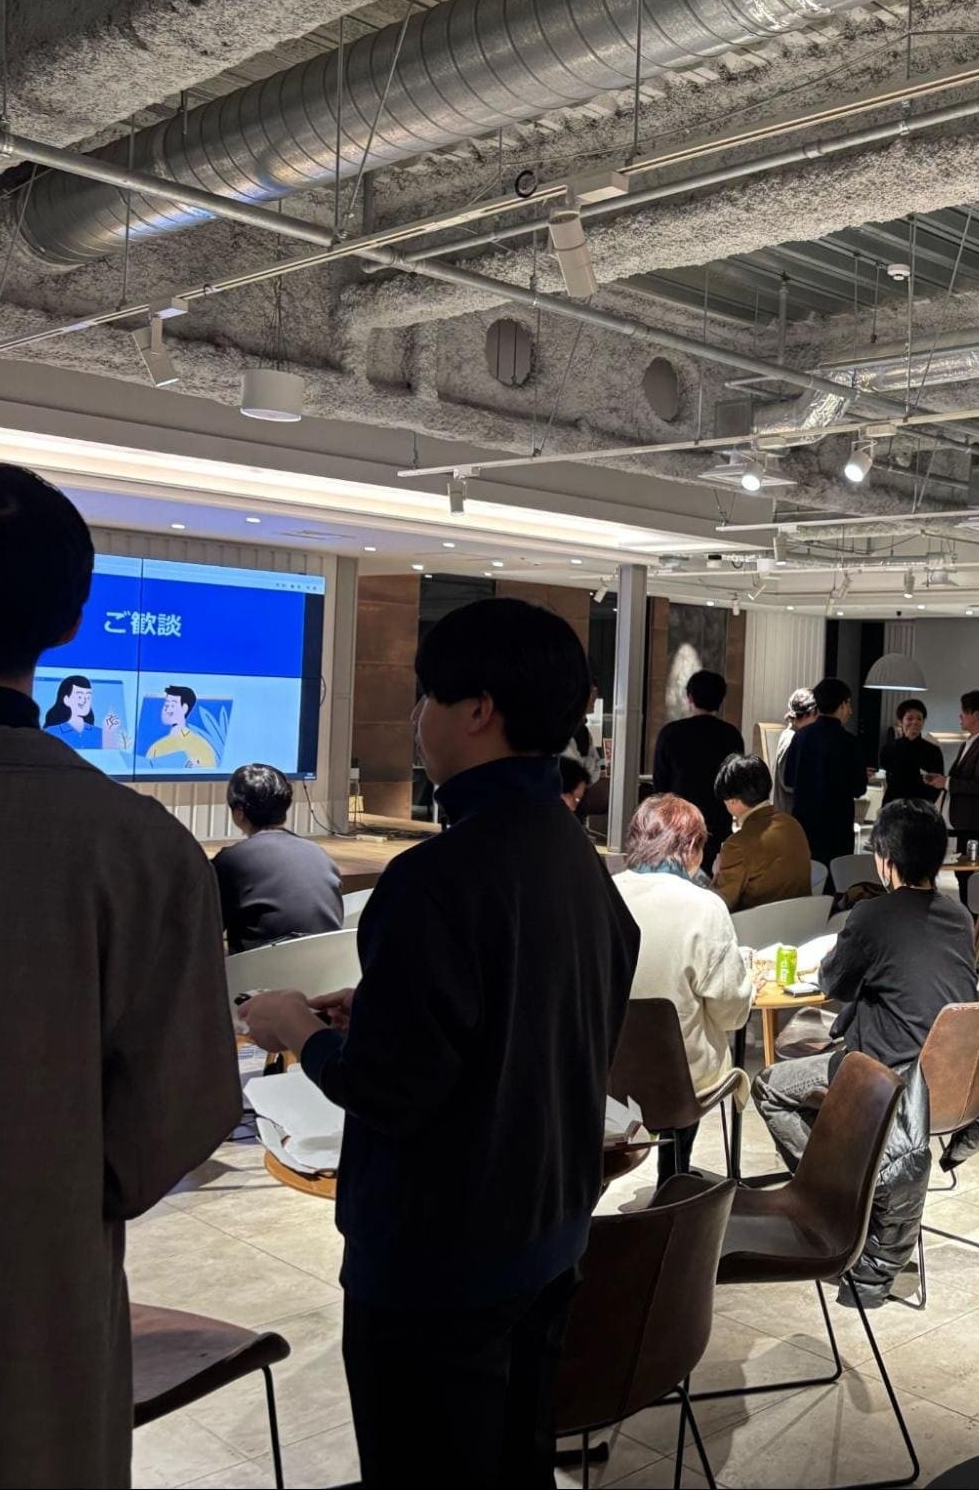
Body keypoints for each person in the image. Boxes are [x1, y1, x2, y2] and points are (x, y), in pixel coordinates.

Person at [0, 463, 240, 1485]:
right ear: (71, 623)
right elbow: (182, 1113)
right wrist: (41, 1179)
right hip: (25, 1334)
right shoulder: (142, 850)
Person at [239, 597, 638, 1487]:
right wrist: (384, 1004)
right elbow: (538, 1008)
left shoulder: (435, 878)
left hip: (438, 1262)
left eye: (425, 696)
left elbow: (391, 1089)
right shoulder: (575, 855)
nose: (417, 718)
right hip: (550, 1233)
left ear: (477, 710)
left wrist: (296, 1029)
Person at [752, 798, 976, 1168]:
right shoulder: (961, 917)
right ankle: (855, 1170)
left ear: (886, 860)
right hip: (956, 1080)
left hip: (889, 1076)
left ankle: (834, 1185)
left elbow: (834, 983)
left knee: (769, 1086)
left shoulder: (872, 915)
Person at [613, 794, 753, 1184]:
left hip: (603, 1073)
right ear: (691, 847)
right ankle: (673, 1177)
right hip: (681, 1084)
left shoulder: (603, 892)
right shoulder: (705, 907)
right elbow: (731, 1013)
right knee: (691, 1051)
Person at [211, 761, 344, 953]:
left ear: (239, 813)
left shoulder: (230, 861)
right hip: (328, 966)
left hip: (259, 968)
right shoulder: (319, 853)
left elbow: (202, 928)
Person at [651, 669, 745, 873]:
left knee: (677, 875)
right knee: (712, 876)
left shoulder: (670, 733)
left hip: (678, 822)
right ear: (721, 699)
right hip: (717, 823)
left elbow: (660, 783)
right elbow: (735, 782)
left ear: (690, 697)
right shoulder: (731, 736)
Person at [782, 676, 868, 865]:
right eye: (848, 704)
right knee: (835, 876)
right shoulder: (850, 742)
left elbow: (788, 779)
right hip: (837, 827)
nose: (850, 711)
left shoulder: (800, 737)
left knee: (806, 874)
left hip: (804, 823)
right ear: (842, 704)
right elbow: (859, 788)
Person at [710, 753, 812, 910]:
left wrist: (717, 872)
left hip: (757, 924)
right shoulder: (792, 824)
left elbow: (719, 905)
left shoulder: (737, 845)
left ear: (733, 800)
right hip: (803, 920)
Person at [941, 688, 979, 853]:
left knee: (966, 867)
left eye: (963, 712)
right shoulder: (967, 744)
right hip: (959, 820)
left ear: (975, 714)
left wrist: (947, 782)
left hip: (971, 822)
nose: (960, 716)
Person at [878, 698, 944, 807]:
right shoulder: (889, 748)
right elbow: (894, 777)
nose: (915, 722)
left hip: (921, 807)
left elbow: (936, 784)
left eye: (919, 719)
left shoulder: (933, 750)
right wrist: (907, 742)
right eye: (910, 718)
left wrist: (923, 805)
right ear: (900, 721)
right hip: (893, 805)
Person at [42, 673, 126, 750]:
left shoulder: (100, 734)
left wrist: (109, 733)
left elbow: (109, 758)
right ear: (66, 700)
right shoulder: (51, 733)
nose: (84, 701)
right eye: (79, 697)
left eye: (88, 697)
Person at [145, 682, 218, 768]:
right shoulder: (155, 748)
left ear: (184, 708)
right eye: (166, 704)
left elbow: (210, 769)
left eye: (172, 705)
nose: (167, 709)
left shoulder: (202, 746)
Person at [769, 686, 816, 815]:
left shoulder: (793, 735)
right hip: (790, 815)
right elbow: (788, 783)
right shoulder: (791, 739)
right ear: (811, 713)